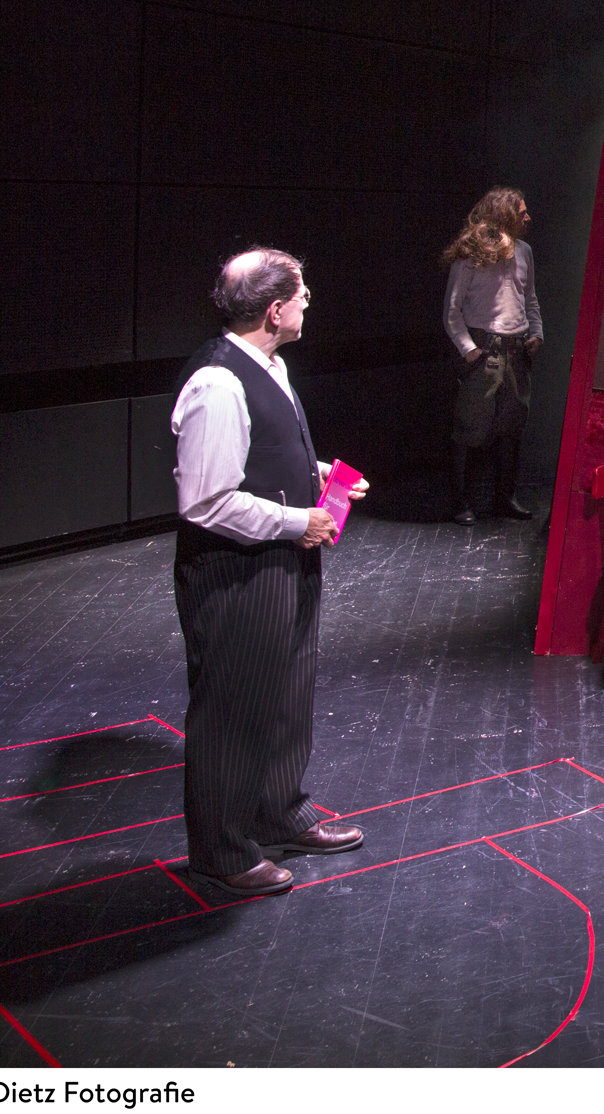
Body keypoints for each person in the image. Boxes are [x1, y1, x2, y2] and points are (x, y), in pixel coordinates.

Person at [171, 249, 369, 896]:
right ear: (276, 310)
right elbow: (206, 501)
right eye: (302, 293)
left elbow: (259, 453)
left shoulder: (269, 365)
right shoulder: (219, 383)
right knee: (232, 711)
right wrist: (295, 521)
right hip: (236, 573)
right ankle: (222, 853)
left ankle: (278, 814)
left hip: (283, 560)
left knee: (285, 694)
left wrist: (317, 476)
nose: (310, 301)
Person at [441, 187, 544, 524]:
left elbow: (529, 298)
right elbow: (452, 310)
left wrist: (536, 331)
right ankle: (459, 501)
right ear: (505, 214)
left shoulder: (524, 251)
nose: (527, 218)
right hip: (485, 348)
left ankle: (504, 498)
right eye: (522, 212)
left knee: (511, 428)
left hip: (517, 349)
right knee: (471, 427)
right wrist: (469, 349)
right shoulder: (471, 254)